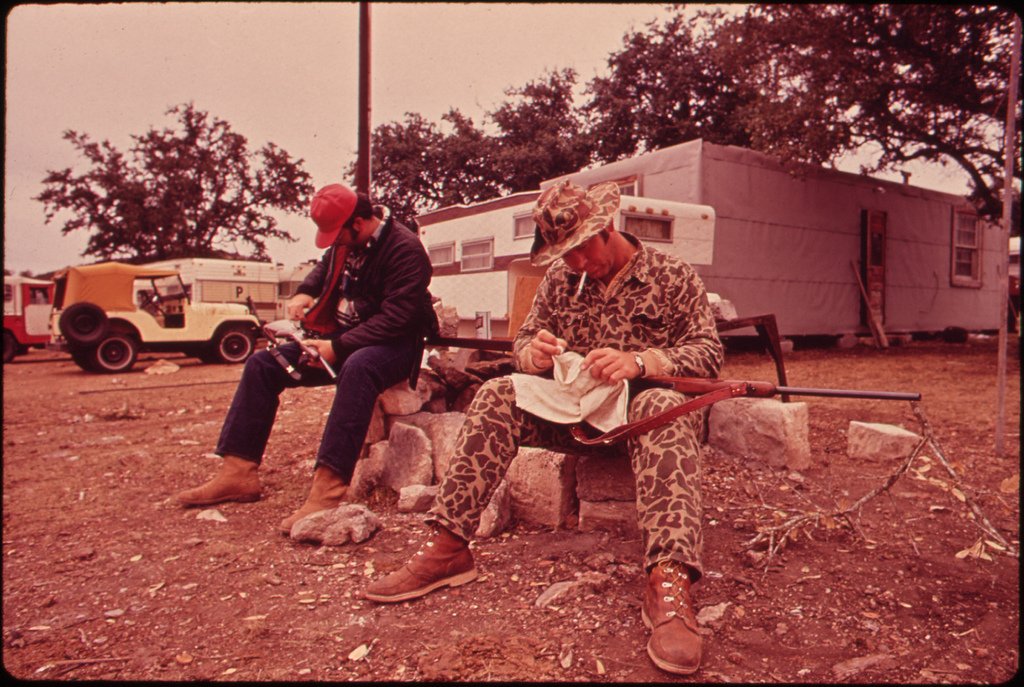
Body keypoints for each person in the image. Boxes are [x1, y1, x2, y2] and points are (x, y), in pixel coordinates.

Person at [364, 180, 724, 676]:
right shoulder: (560, 279)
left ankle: (669, 578)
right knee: (497, 393)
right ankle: (449, 545)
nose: (574, 263)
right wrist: (530, 352)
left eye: (580, 249)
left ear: (607, 228)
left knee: (663, 402)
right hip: (575, 418)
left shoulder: (671, 275)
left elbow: (709, 356)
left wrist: (641, 360)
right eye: (563, 253)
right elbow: (528, 337)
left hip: (645, 420)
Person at [175, 183, 438, 534]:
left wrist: (338, 347)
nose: (334, 243)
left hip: (394, 345)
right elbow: (324, 267)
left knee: (359, 368)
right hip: (346, 340)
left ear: (358, 223)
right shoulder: (348, 242)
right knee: (262, 365)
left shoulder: (405, 250)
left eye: (338, 235)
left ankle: (327, 493)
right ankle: (237, 473)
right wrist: (303, 294)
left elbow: (397, 319)